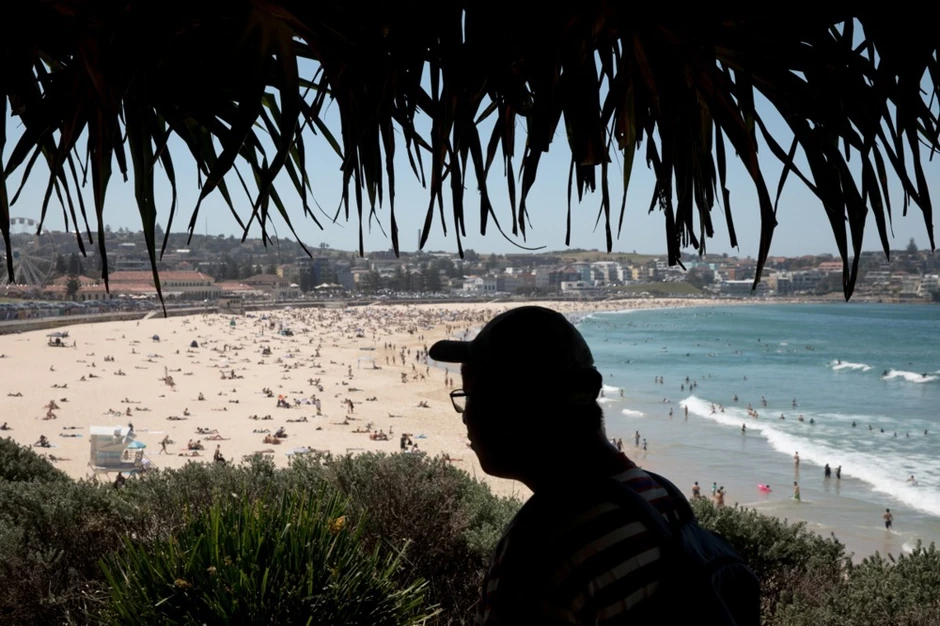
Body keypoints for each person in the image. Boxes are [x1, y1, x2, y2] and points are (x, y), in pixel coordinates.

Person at [430, 306, 754, 624]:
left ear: (521, 406)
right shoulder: (660, 494)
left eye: (473, 395)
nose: (466, 415)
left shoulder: (541, 548)